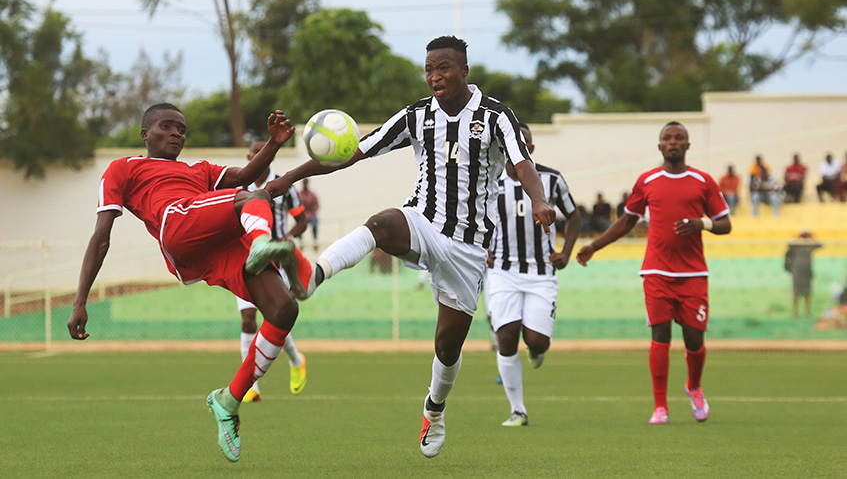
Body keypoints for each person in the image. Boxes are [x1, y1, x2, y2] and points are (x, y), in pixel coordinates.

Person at [268, 35, 556, 458]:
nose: (435, 76)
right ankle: (314, 273)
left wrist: (539, 200)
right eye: (429, 70)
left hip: (469, 247)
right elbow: (356, 150)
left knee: (447, 346)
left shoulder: (496, 116)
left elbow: (522, 164)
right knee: (383, 223)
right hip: (422, 220)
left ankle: (434, 409)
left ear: (464, 70)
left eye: (443, 68)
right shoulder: (416, 115)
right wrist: (287, 178)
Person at [68, 103, 299, 463]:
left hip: (213, 245)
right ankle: (261, 243)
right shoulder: (124, 168)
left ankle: (229, 400)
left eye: (182, 129)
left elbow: (243, 174)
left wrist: (274, 143)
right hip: (176, 227)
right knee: (254, 198)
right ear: (146, 134)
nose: (177, 133)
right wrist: (80, 300)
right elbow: (101, 235)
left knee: (284, 310)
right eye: (167, 126)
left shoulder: (200, 170)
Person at [576, 121, 731, 425]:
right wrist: (594, 246)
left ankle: (694, 387)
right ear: (660, 146)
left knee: (694, 340)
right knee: (660, 336)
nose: (673, 142)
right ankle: (660, 406)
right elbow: (625, 222)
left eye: (679, 138)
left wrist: (703, 224)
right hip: (656, 271)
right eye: (667, 138)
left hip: (693, 274)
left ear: (687, 145)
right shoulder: (647, 181)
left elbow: (725, 223)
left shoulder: (703, 181)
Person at [484, 122, 580, 427]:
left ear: (531, 149)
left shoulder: (550, 179)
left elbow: (574, 215)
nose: (517, 148)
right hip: (501, 271)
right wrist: (480, 247)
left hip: (541, 273)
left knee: (536, 341)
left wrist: (565, 252)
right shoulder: (489, 180)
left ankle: (538, 351)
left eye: (523, 143)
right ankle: (518, 410)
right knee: (507, 336)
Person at [234, 141, 309, 402]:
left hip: (275, 258)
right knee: (247, 320)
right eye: (255, 154)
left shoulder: (283, 185)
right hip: (244, 258)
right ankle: (250, 387)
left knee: (275, 318)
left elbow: (302, 221)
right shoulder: (239, 187)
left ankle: (296, 360)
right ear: (250, 157)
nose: (259, 158)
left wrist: (287, 238)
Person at [784, 231, 823, 318]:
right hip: (797, 271)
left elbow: (821, 245)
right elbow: (789, 244)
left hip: (806, 271)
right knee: (796, 293)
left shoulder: (809, 246)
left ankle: (807, 312)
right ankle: (795, 312)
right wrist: (798, 237)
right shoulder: (796, 246)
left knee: (807, 293)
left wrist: (812, 237)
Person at [298, 178, 320, 251]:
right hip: (302, 215)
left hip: (311, 215)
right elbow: (296, 205)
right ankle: (301, 242)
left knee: (315, 223)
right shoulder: (299, 194)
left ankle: (315, 240)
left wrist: (313, 212)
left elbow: (316, 205)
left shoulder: (312, 194)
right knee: (298, 225)